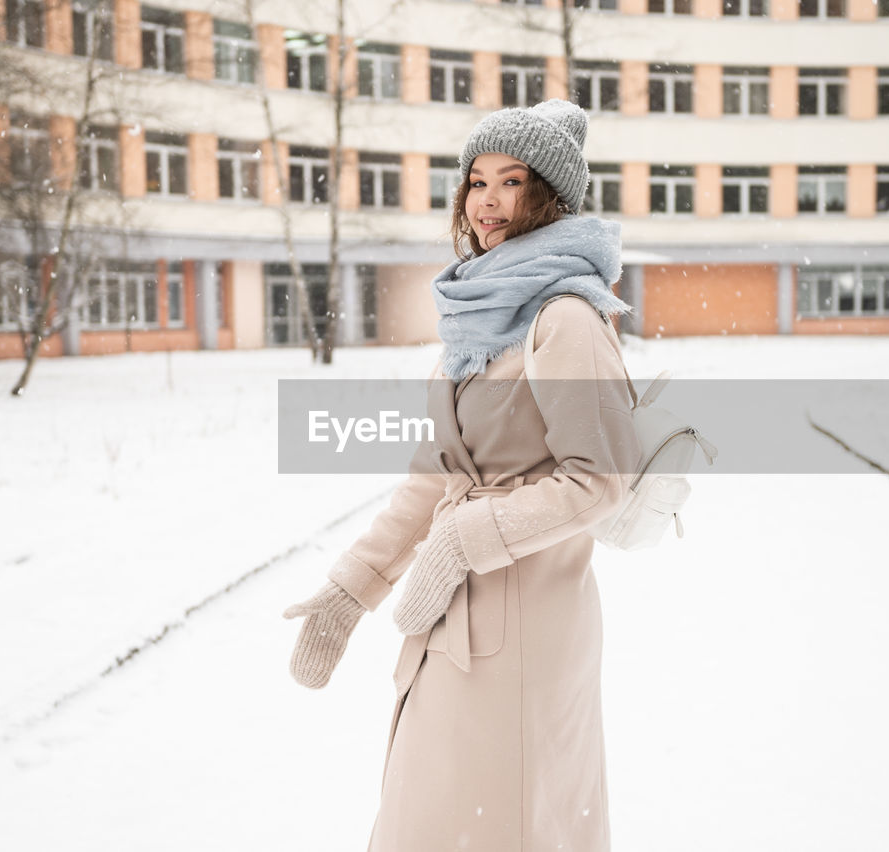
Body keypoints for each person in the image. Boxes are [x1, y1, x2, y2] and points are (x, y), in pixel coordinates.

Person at [282, 99, 639, 852]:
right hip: (461, 615)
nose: (488, 201)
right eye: (477, 181)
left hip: (526, 624)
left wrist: (466, 540)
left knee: (491, 823)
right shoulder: (480, 317)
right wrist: (355, 586)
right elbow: (437, 473)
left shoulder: (564, 316)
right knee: (440, 816)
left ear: (550, 197)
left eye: (512, 182)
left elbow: (601, 479)